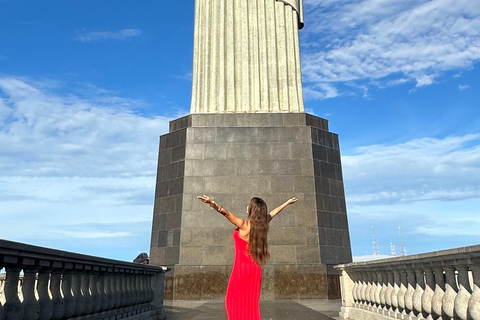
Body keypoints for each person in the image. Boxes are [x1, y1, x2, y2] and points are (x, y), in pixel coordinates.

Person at [197, 195, 298, 320]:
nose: (246, 207)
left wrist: (212, 203)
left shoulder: (244, 225)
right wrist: (286, 202)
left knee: (231, 303)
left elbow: (226, 213)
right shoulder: (263, 224)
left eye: (248, 205)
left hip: (241, 270)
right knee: (251, 306)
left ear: (251, 210)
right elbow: (273, 212)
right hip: (255, 271)